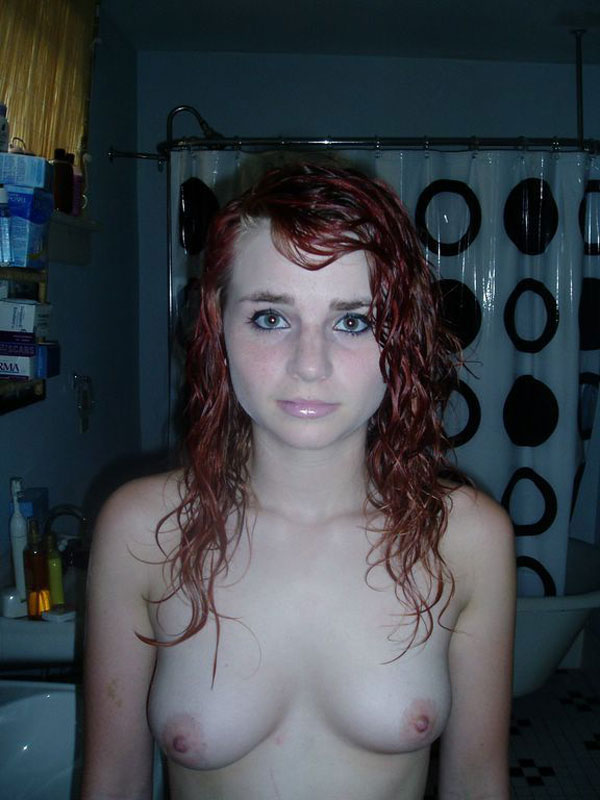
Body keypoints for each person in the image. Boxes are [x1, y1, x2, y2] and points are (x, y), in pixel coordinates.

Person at [82, 161, 516, 800]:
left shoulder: (465, 538)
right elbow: (114, 783)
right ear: (218, 326)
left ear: (401, 336)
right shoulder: (144, 531)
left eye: (353, 321)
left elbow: (477, 784)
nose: (309, 365)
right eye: (270, 317)